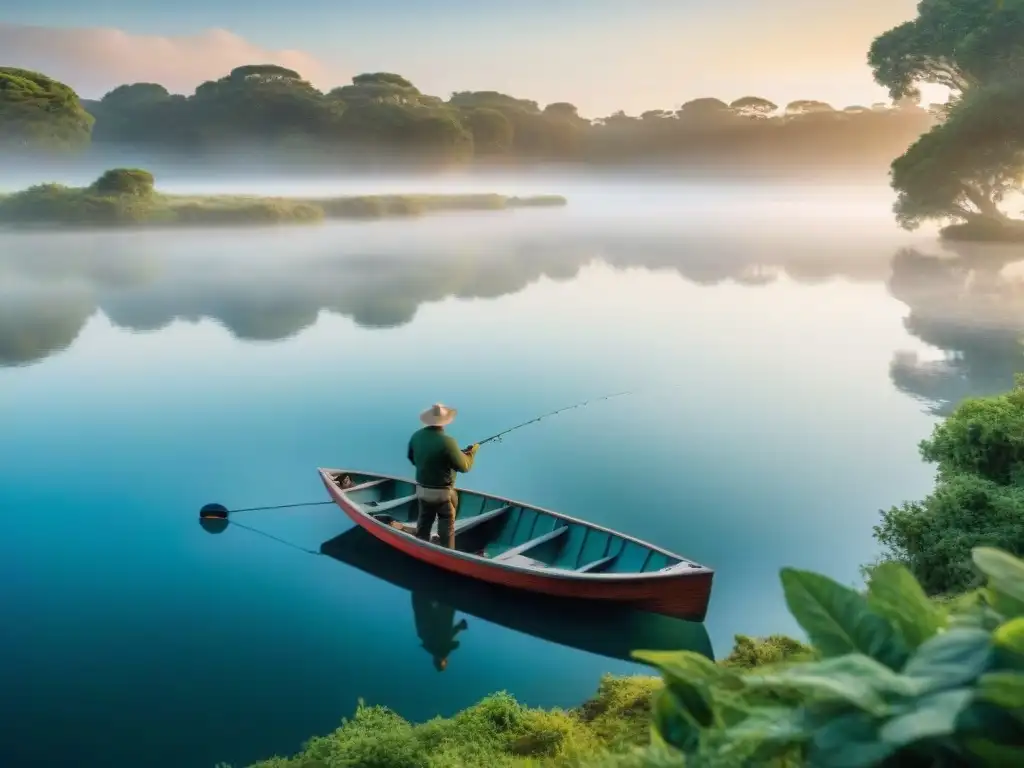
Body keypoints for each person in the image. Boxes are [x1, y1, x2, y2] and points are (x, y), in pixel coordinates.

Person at [407, 402, 479, 549]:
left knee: (424, 522)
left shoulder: (416, 436)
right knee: (447, 526)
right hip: (442, 495)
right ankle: (447, 551)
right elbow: (464, 467)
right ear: (444, 422)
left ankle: (421, 546)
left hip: (422, 491)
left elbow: (412, 458)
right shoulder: (448, 442)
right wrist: (471, 453)